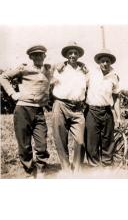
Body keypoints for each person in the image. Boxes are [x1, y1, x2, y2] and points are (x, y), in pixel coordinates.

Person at [0, 45, 53, 177]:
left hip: (39, 111)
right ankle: (29, 170)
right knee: (24, 144)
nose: (38, 57)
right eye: (35, 55)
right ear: (30, 57)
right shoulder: (23, 68)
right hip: (23, 109)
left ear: (45, 56)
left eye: (41, 54)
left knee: (42, 144)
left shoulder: (48, 69)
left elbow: (64, 67)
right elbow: (3, 77)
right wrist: (12, 94)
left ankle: (41, 169)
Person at [51, 42, 88, 173]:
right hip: (60, 105)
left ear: (79, 55)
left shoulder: (84, 71)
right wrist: (55, 66)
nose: (73, 55)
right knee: (60, 140)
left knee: (80, 140)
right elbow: (48, 78)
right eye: (70, 53)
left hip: (78, 108)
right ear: (66, 55)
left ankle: (76, 169)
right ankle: (66, 170)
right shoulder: (59, 68)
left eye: (75, 53)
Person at [85, 49, 121, 167]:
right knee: (92, 141)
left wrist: (118, 117)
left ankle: (106, 165)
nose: (105, 64)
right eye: (102, 61)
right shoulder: (91, 74)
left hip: (106, 111)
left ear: (110, 63)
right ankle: (94, 166)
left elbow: (116, 98)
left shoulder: (114, 77)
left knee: (108, 140)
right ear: (99, 62)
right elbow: (81, 87)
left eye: (107, 61)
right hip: (92, 111)